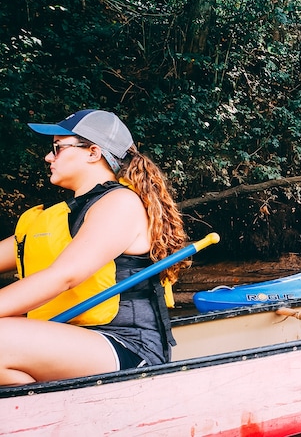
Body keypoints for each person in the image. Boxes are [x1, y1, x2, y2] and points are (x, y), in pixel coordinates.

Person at [0, 109, 188, 386]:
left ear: (93, 152)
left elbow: (64, 276)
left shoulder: (119, 203)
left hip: (127, 347)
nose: (48, 157)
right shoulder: (60, 216)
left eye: (57, 148)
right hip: (73, 341)